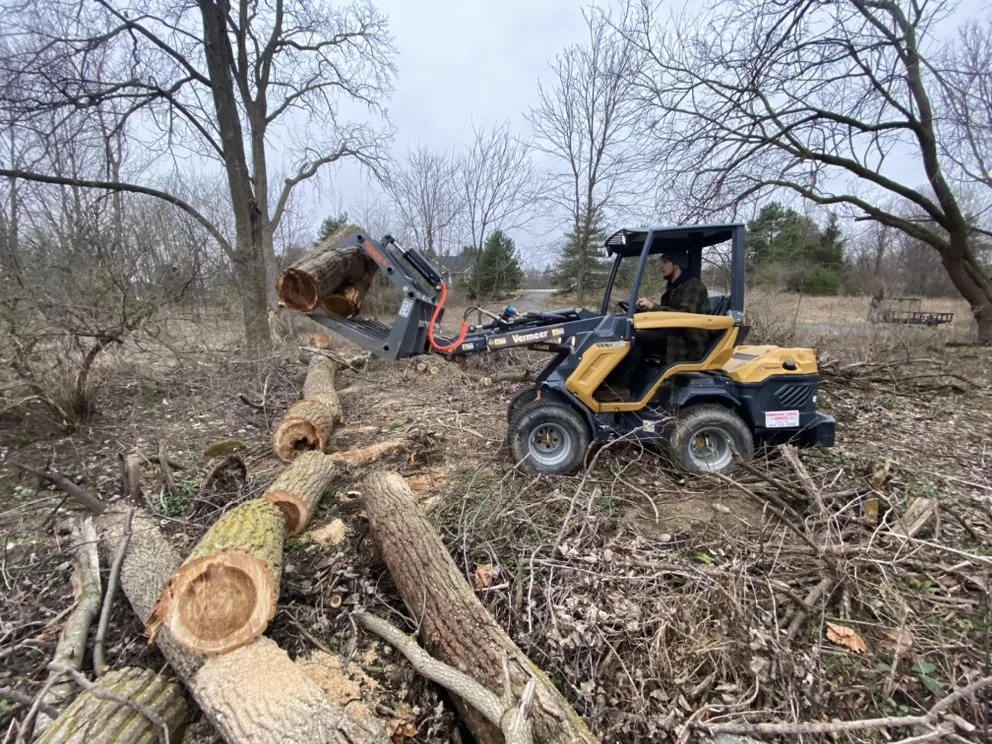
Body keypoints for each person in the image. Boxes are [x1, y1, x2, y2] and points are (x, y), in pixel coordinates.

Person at [635, 251, 711, 362]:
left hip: (686, 340)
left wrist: (653, 306)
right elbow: (666, 315)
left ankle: (624, 380)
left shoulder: (694, 285)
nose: (661, 266)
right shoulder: (673, 288)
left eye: (665, 262)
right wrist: (645, 312)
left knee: (637, 339)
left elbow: (684, 315)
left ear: (677, 264)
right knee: (630, 335)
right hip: (673, 334)